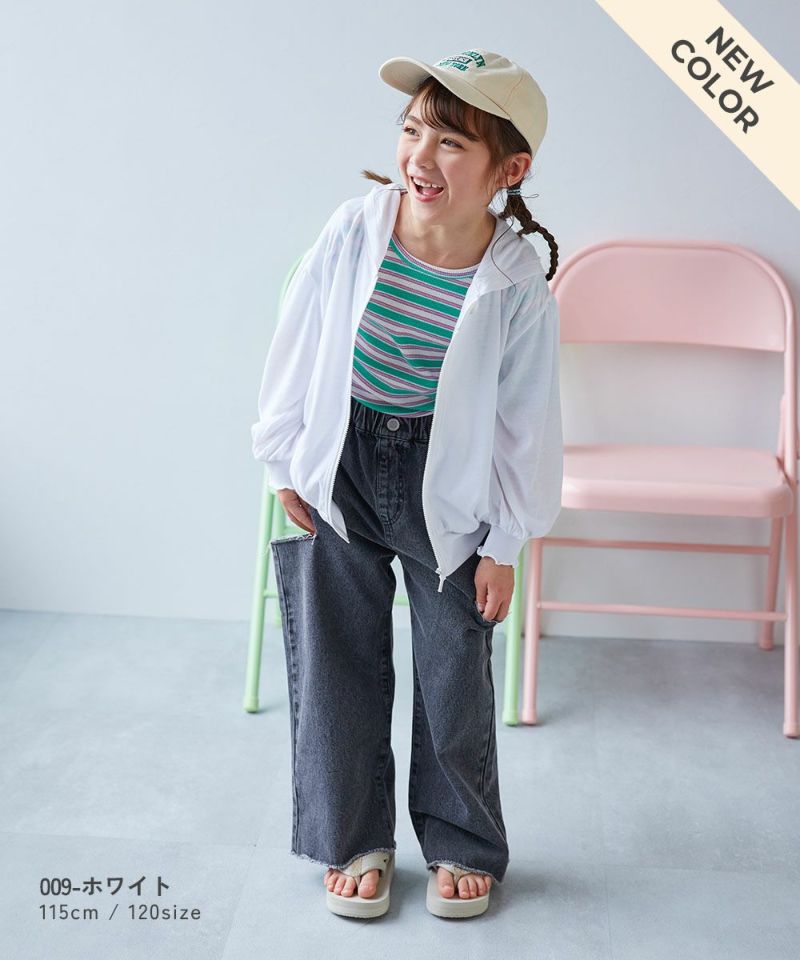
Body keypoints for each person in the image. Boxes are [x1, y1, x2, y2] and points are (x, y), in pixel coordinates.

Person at [251, 48, 564, 919]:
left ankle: (462, 841)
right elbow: (300, 340)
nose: (421, 157)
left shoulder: (516, 281)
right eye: (414, 130)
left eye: (452, 142)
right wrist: (284, 459)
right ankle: (354, 835)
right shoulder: (357, 228)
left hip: (449, 480)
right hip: (342, 459)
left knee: (453, 665)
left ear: (509, 170)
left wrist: (506, 543)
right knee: (338, 655)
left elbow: (525, 419)